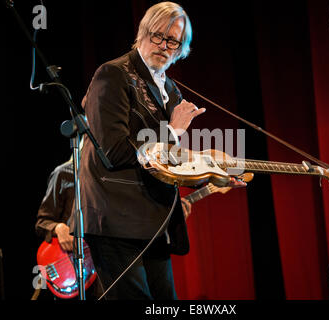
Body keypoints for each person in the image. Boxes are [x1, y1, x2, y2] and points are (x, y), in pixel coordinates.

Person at [71, 2, 242, 300]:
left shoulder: (171, 90)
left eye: (172, 40)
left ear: (181, 49)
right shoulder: (112, 75)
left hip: (153, 219)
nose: (163, 45)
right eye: (157, 35)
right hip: (114, 218)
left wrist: (210, 176)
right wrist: (173, 130)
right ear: (141, 33)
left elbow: (167, 162)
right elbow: (113, 151)